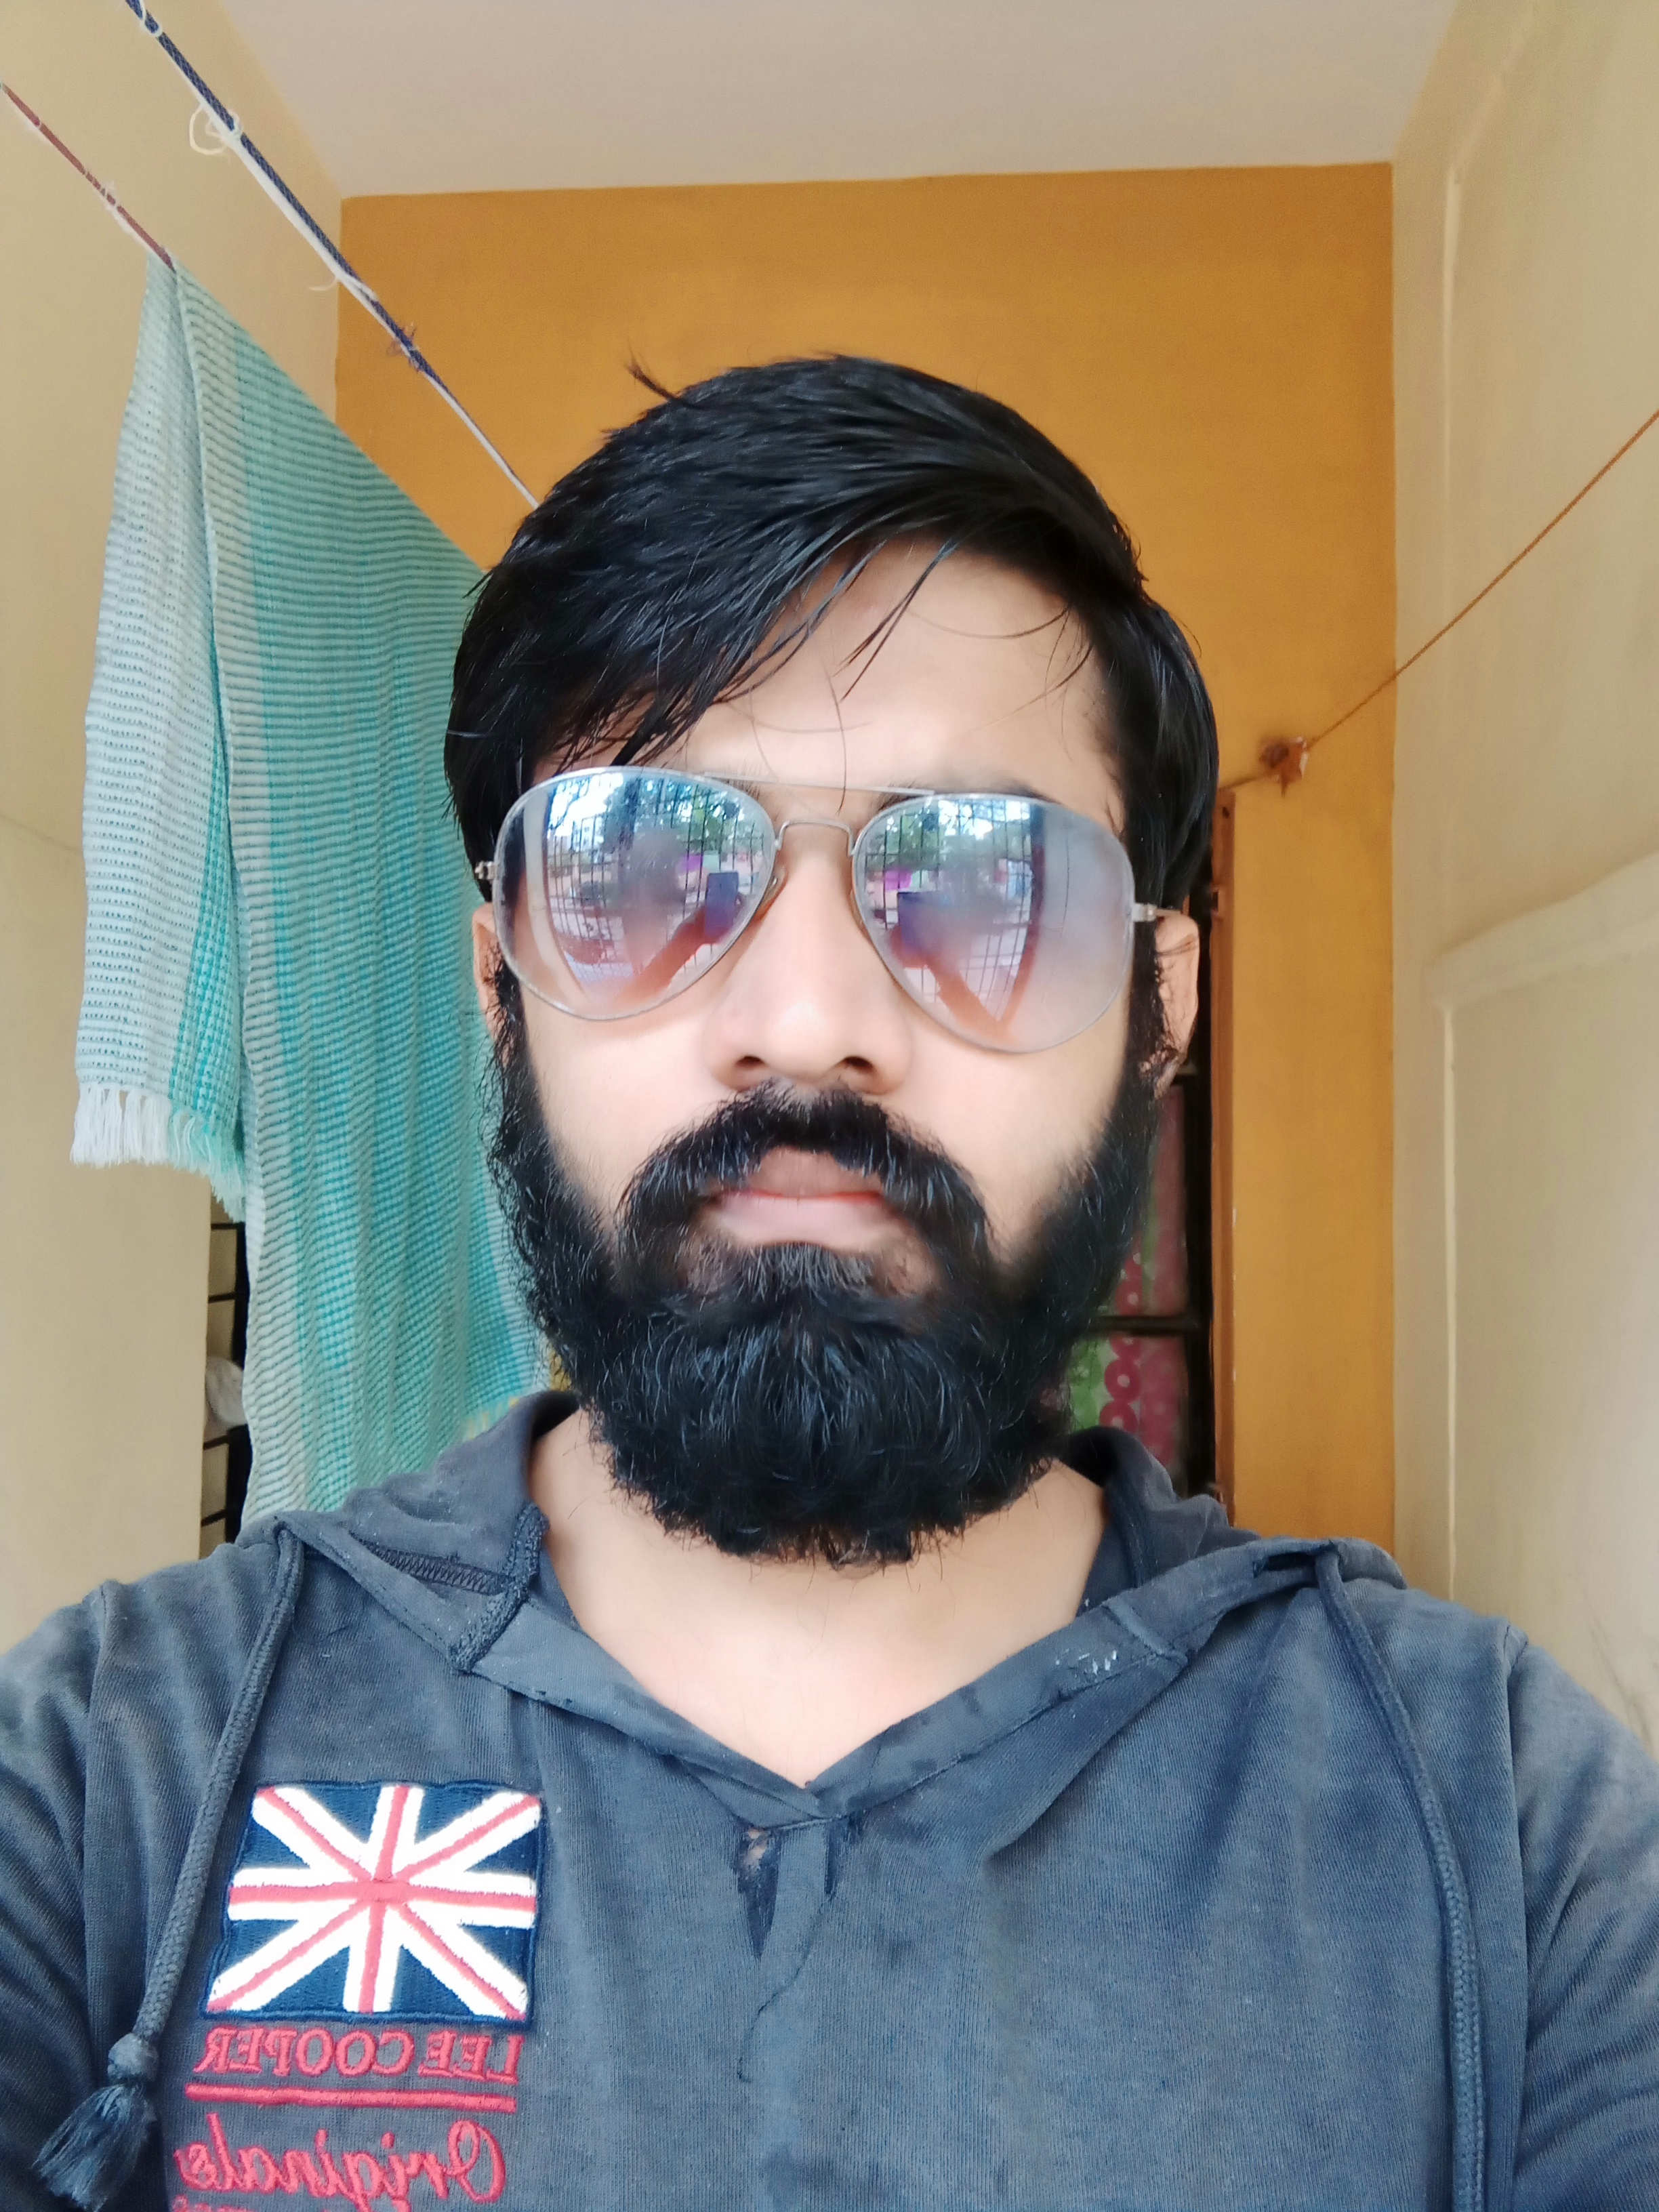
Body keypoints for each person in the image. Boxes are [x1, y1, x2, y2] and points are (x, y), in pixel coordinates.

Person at [5, 359, 1657, 2212]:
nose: (807, 1024)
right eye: (643, 864)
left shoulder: (1500, 1831)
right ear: (500, 991)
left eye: (988, 880)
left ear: (1160, 1008)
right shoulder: (113, 1777)